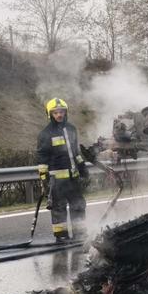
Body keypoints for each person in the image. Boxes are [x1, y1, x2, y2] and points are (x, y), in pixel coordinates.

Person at [37, 98, 89, 242]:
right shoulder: (45, 134)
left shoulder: (71, 129)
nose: (59, 115)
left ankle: (79, 234)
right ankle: (61, 236)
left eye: (61, 112)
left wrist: (83, 167)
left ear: (65, 113)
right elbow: (42, 158)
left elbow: (76, 153)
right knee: (58, 207)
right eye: (55, 112)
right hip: (57, 179)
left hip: (73, 177)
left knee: (78, 205)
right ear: (50, 114)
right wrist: (44, 178)